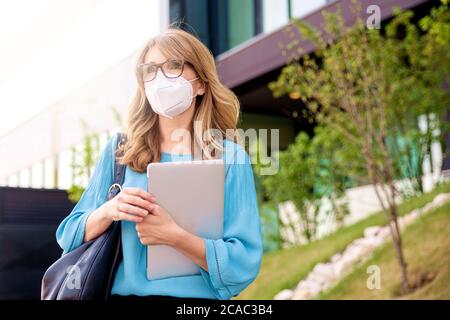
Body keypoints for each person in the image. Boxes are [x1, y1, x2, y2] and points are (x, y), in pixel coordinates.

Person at [55, 27, 263, 300]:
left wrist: (173, 236)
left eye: (173, 65)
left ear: (201, 84)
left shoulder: (230, 159)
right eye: (150, 70)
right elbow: (68, 235)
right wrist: (109, 210)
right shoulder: (120, 152)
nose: (160, 78)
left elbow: (243, 262)